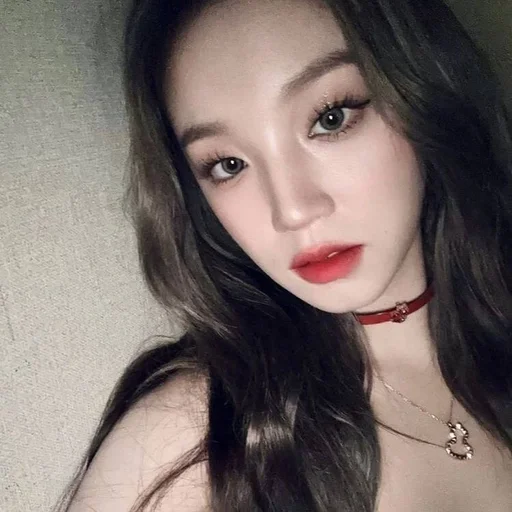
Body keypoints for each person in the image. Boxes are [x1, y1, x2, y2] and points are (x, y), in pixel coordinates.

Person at [55, 0, 512, 510]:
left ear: (424, 95)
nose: (292, 211)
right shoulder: (197, 438)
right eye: (228, 164)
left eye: (330, 118)